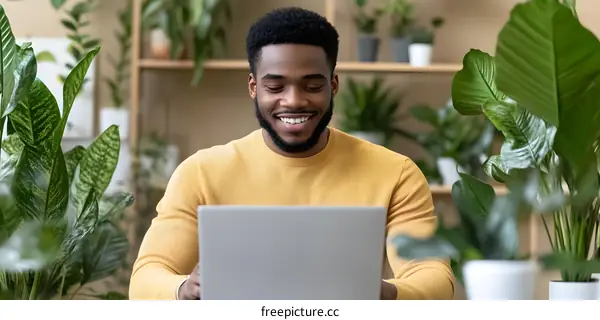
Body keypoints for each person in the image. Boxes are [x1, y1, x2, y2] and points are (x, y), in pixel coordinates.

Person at [129, 6, 455, 300]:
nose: (294, 100)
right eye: (275, 87)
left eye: (312, 86)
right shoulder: (200, 172)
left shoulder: (395, 173)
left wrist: (377, 292)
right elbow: (145, 279)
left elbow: (435, 279)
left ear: (334, 85)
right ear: (253, 87)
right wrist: (184, 289)